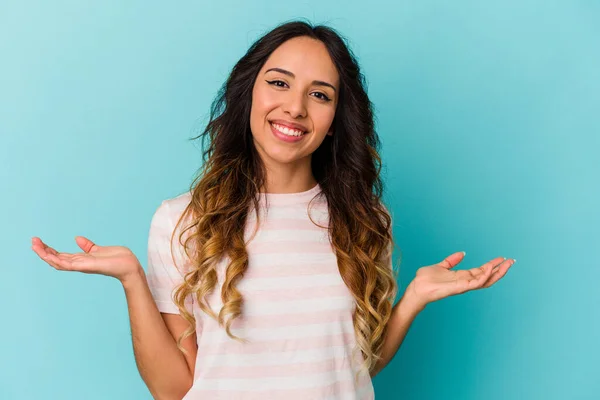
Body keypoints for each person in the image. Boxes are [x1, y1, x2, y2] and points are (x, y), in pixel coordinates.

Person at [31, 19, 514, 400]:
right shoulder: (183, 221)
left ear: (335, 119)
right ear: (249, 95)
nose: (296, 107)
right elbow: (174, 389)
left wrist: (412, 300)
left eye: (319, 94)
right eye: (279, 83)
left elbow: (345, 367)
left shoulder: (366, 221)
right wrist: (132, 280)